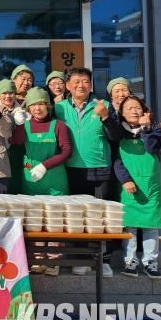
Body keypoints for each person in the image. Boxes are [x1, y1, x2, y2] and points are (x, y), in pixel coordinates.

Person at [55, 67, 123, 277]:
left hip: (100, 168)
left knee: (102, 216)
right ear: (68, 85)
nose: (80, 85)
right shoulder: (59, 108)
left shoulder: (103, 106)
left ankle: (104, 260)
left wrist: (105, 117)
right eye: (76, 81)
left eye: (85, 81)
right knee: (77, 217)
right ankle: (80, 259)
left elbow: (116, 136)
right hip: (71, 169)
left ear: (91, 84)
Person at [116, 96, 161, 279]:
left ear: (144, 111)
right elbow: (116, 160)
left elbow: (152, 148)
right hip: (129, 184)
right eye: (129, 108)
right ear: (122, 113)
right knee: (129, 225)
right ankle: (130, 261)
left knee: (150, 225)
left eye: (137, 107)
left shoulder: (155, 129)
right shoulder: (118, 132)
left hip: (150, 184)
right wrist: (125, 180)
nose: (133, 111)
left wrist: (146, 128)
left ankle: (150, 262)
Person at [12, 88, 71, 196]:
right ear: (28, 107)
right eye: (33, 105)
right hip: (31, 178)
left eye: (41, 104)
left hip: (55, 181)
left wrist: (44, 166)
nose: (37, 108)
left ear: (48, 105)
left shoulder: (58, 125)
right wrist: (19, 125)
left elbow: (66, 152)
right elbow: (17, 142)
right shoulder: (25, 125)